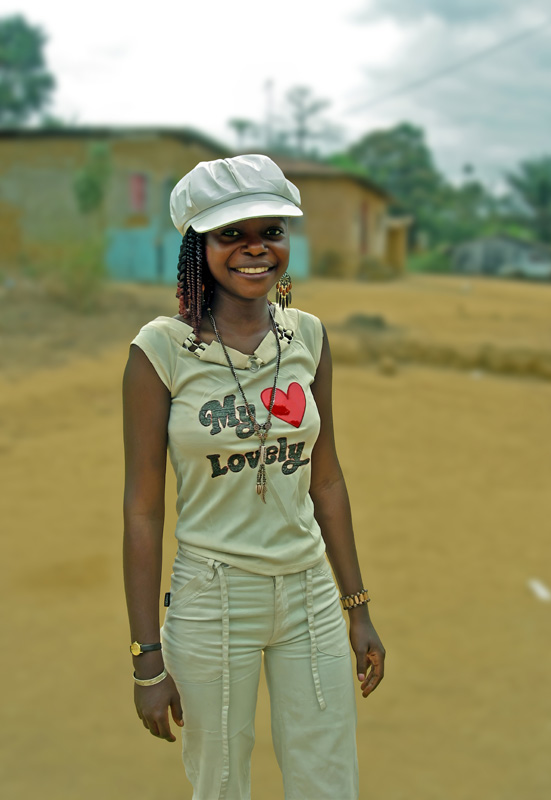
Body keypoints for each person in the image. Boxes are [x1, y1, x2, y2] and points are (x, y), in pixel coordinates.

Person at [122, 154, 385, 800]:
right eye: (230, 235)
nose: (254, 249)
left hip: (308, 595)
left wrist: (357, 608)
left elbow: (326, 480)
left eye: (271, 231)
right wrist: (145, 657)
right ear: (197, 246)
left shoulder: (309, 338)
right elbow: (143, 511)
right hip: (213, 597)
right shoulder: (159, 351)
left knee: (329, 781)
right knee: (219, 785)